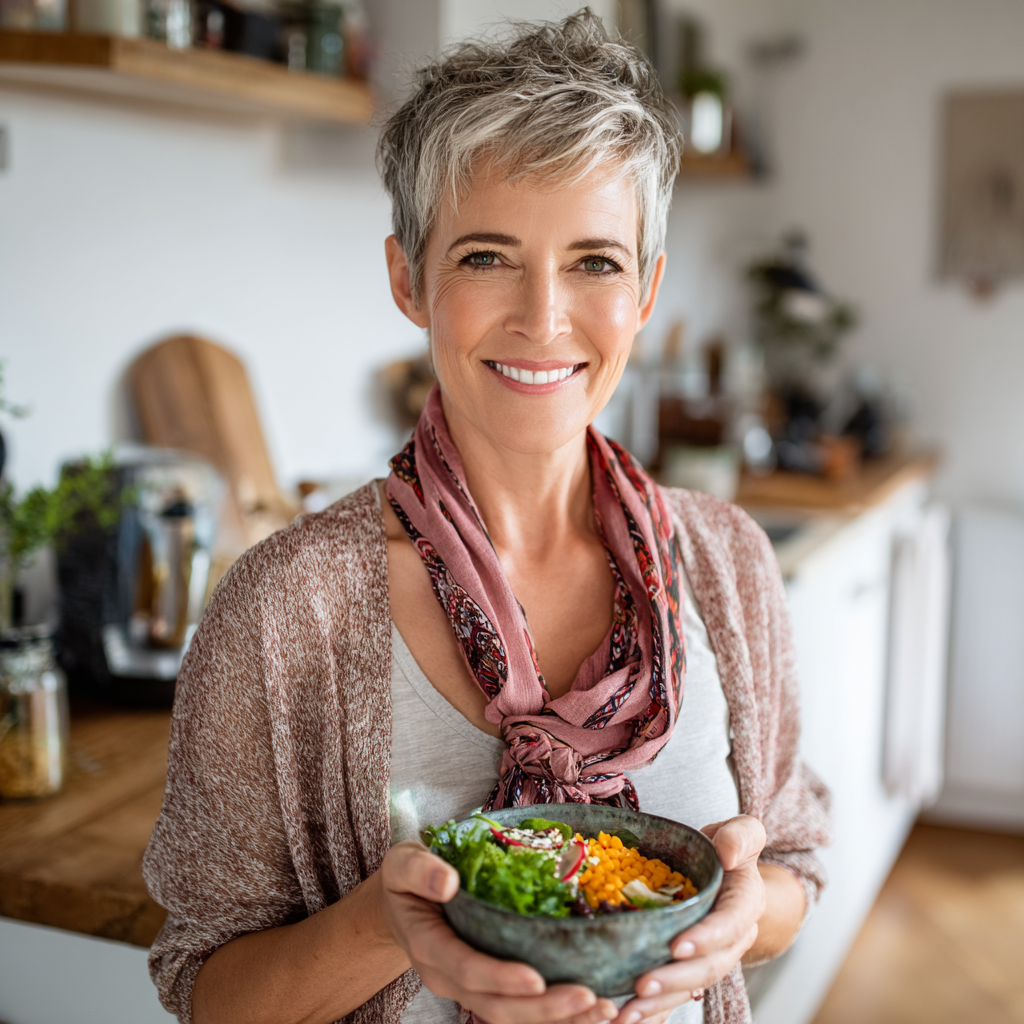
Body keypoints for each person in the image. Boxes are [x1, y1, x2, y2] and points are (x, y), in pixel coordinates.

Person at [143, 11, 831, 1024]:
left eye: (595, 261)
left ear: (645, 289)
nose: (543, 319)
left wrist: (740, 912)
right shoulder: (284, 607)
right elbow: (208, 989)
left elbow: (792, 874)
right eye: (484, 257)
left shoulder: (725, 561)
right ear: (406, 278)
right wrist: (384, 922)